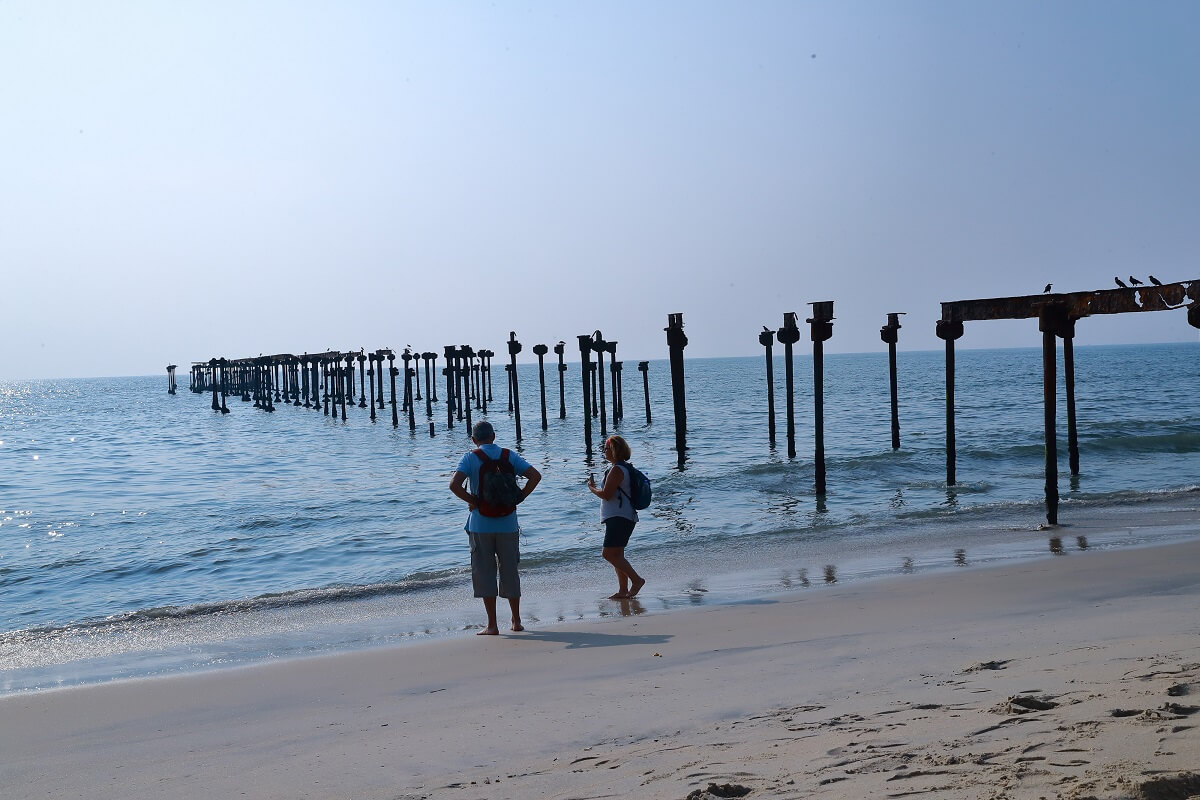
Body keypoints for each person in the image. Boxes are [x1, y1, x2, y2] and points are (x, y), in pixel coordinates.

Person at [449, 420, 541, 635]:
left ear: (473, 439)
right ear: (494, 436)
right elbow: (535, 476)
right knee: (510, 571)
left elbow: (453, 485)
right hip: (508, 523)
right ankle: (516, 621)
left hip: (480, 524)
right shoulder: (509, 455)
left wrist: (475, 500)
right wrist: (519, 498)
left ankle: (492, 625)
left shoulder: (470, 457)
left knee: (485, 572)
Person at [587, 434, 645, 600]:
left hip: (619, 517)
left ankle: (637, 580)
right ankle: (622, 590)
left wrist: (591, 488)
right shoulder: (622, 468)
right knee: (618, 555)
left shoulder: (617, 469)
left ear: (613, 450)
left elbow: (606, 494)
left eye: (605, 449)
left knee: (608, 554)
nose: (604, 451)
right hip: (622, 516)